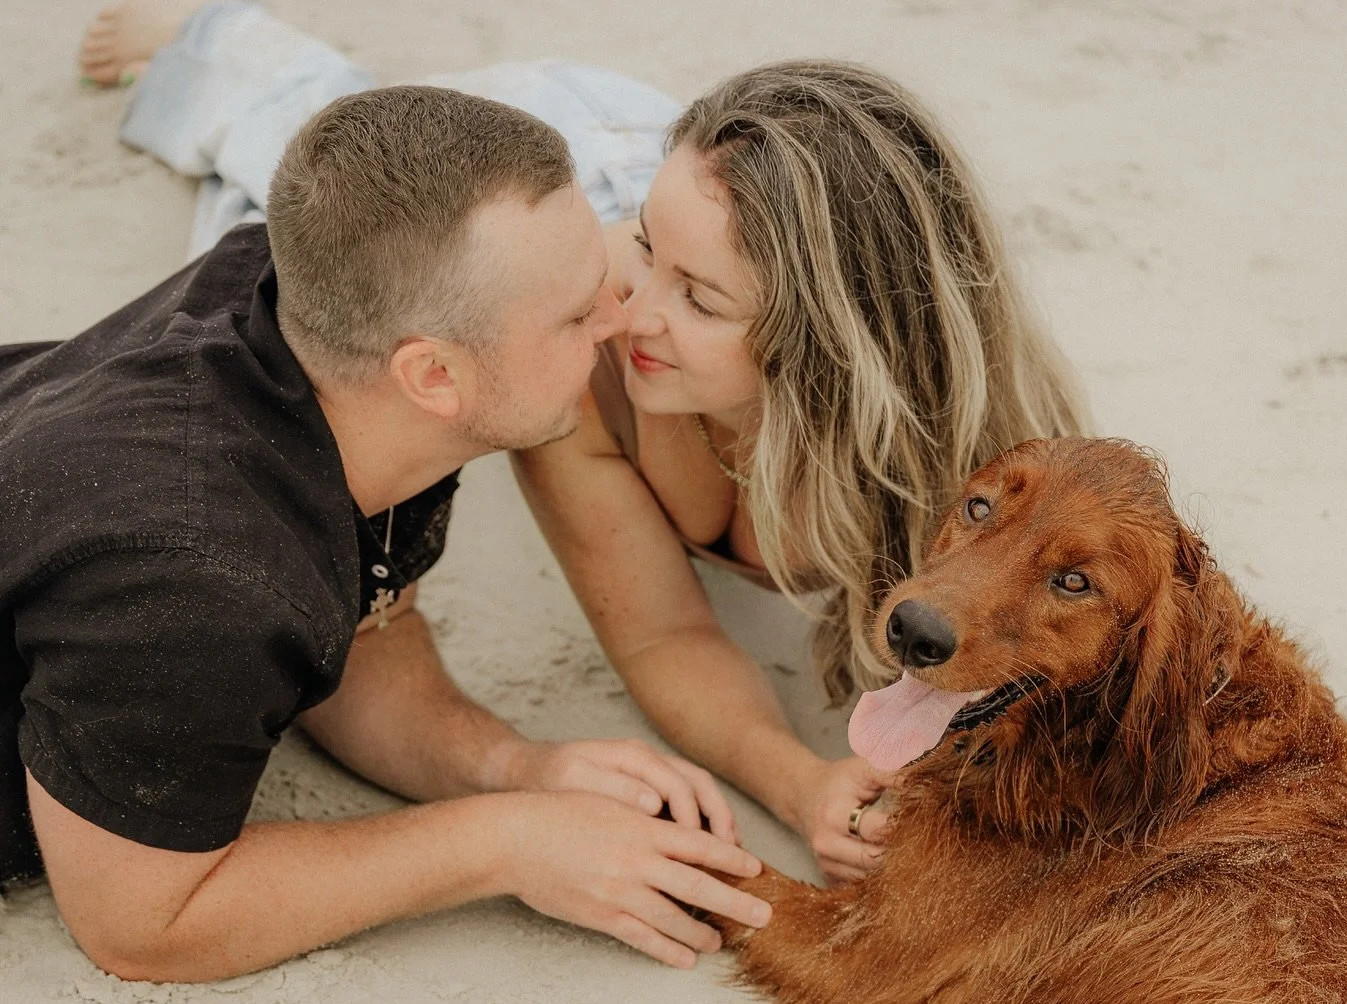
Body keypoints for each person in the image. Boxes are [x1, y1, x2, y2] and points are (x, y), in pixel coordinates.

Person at [79, 4, 1087, 883]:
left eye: (696, 300)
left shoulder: (985, 459)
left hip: (678, 188)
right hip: (581, 159)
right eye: (647, 262)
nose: (625, 314)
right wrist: (799, 777)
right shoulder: (572, 345)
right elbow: (662, 634)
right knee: (303, 210)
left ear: (832, 341)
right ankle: (219, 36)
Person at [2, 80, 773, 983]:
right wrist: (505, 843)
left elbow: (365, 625)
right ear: (433, 375)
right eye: (578, 314)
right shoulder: (201, 574)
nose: (622, 321)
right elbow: (143, 924)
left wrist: (512, 767)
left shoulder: (335, 335)